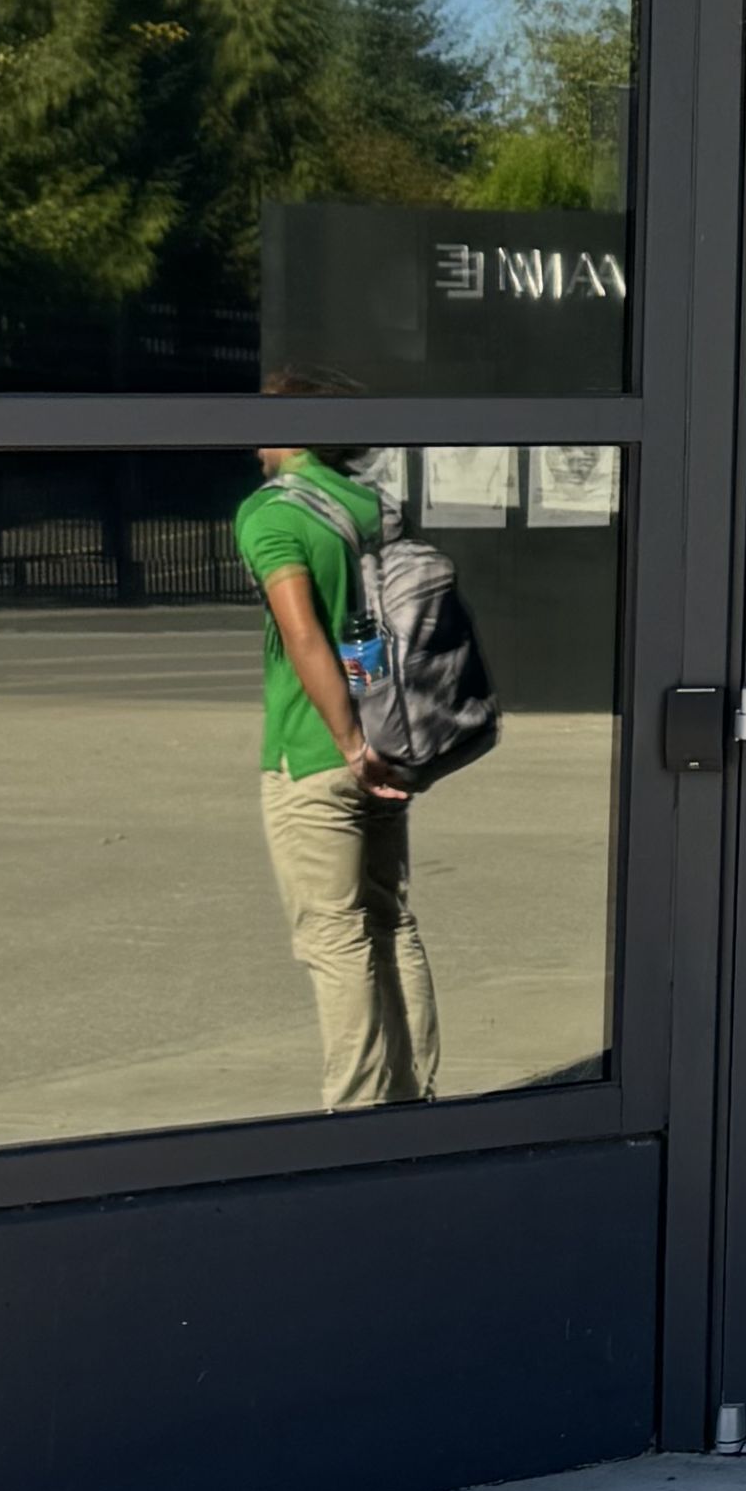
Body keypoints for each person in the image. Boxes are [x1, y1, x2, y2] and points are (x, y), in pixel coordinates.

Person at [233, 440, 440, 1111]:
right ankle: (413, 1099)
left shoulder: (272, 513)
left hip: (318, 750)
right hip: (390, 736)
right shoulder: (369, 504)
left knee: (334, 935)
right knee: (389, 920)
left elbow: (303, 634)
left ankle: (354, 1116)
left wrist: (348, 742)